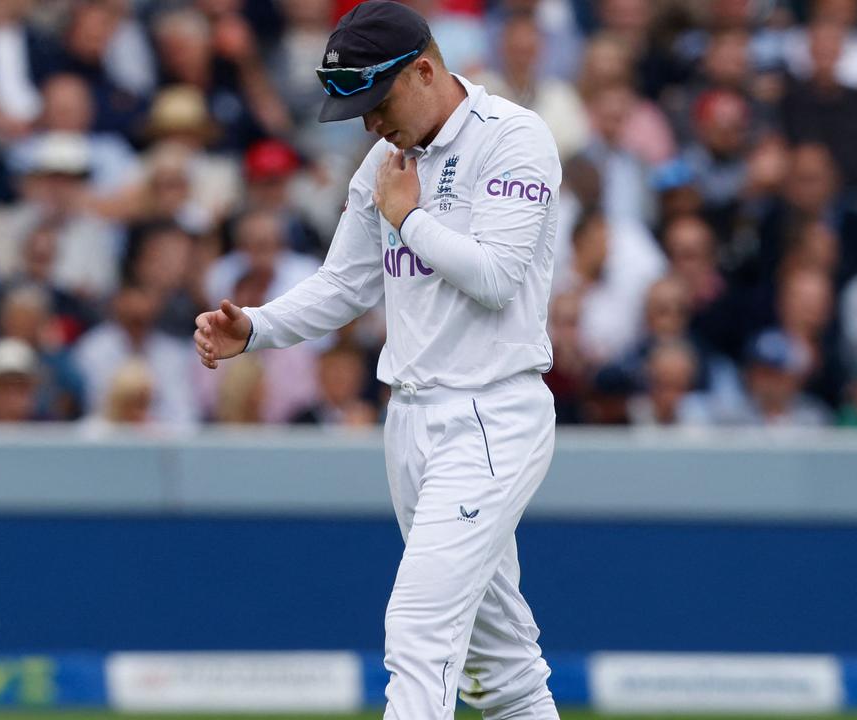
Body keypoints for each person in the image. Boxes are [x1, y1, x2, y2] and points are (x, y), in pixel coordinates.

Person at [192, 3, 562, 716]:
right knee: (502, 667)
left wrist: (409, 217)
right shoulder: (386, 163)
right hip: (412, 421)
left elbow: (496, 279)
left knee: (419, 632)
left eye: (377, 102)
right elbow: (344, 284)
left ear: (424, 70)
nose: (369, 124)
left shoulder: (514, 138)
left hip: (491, 415)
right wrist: (258, 328)